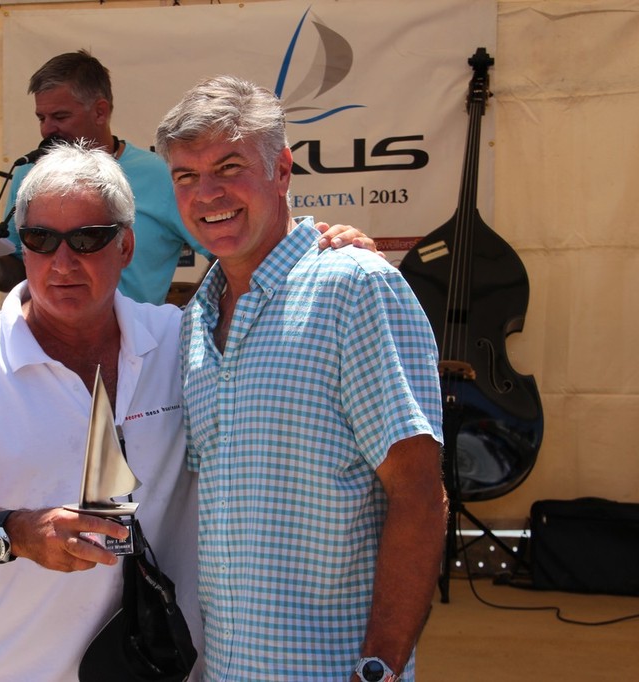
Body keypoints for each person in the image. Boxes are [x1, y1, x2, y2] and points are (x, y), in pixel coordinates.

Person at [154, 76, 448, 682]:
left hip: (329, 668)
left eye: (229, 167)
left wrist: (382, 667)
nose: (207, 194)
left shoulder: (353, 289)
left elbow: (419, 496)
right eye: (186, 176)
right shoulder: (194, 322)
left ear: (282, 170)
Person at [0, 142, 202, 680]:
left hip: (156, 666)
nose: (63, 262)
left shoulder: (178, 341)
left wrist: (323, 247)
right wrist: (15, 533)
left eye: (87, 239)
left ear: (126, 245)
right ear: (21, 247)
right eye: (41, 239)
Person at [0, 48, 211, 306]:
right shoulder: (28, 175)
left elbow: (223, 253)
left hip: (136, 343)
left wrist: (189, 317)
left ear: (100, 111)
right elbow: (22, 268)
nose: (47, 129)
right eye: (41, 118)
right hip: (44, 342)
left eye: (60, 116)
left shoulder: (159, 175)